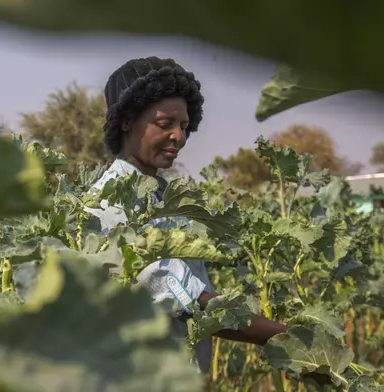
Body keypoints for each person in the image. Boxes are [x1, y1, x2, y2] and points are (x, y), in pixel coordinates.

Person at [85, 56, 289, 374]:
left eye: (183, 126)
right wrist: (289, 341)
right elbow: (188, 300)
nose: (178, 137)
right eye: (165, 124)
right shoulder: (108, 204)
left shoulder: (164, 196)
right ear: (127, 122)